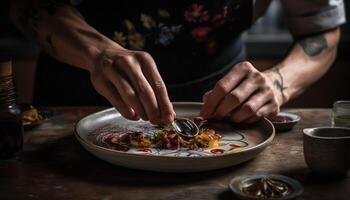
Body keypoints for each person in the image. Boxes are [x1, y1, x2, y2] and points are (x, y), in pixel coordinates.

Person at [7, 0, 346, 125]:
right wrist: (99, 54)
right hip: (76, 94)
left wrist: (278, 81)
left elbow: (321, 31)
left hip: (222, 108)